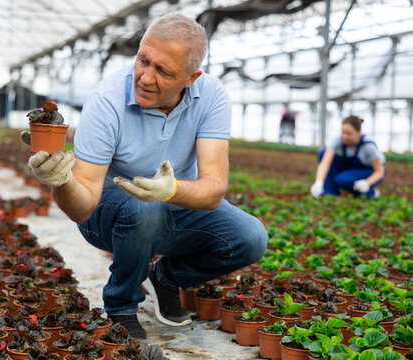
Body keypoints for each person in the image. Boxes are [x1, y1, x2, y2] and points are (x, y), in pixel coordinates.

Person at [23, 13, 268, 358]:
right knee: (144, 207)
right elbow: (83, 205)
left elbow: (213, 189)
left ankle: (164, 277)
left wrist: (170, 191)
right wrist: (61, 180)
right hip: (107, 213)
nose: (145, 77)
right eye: (143, 60)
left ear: (191, 78)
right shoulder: (107, 100)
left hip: (168, 203)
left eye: (163, 71)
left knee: (251, 238)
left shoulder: (210, 96)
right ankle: (122, 305)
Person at [310, 115, 386, 199]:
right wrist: (319, 182)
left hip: (369, 170)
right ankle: (331, 194)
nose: (345, 137)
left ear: (359, 133)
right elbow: (325, 162)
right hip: (352, 167)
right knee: (323, 153)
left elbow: (380, 172)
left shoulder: (368, 146)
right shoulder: (338, 140)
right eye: (343, 132)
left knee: (342, 180)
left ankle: (371, 193)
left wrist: (367, 183)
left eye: (349, 134)